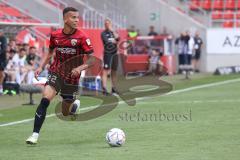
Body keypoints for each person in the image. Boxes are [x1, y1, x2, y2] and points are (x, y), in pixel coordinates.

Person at [26, 7, 95, 145]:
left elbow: (92, 59)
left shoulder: (82, 37)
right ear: (65, 19)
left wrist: (80, 68)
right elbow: (50, 53)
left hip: (72, 78)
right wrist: (41, 66)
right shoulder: (55, 35)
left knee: (65, 113)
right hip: (56, 72)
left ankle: (73, 106)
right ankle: (34, 135)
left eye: (77, 17)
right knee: (45, 99)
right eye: (73, 17)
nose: (76, 20)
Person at [101, 19, 120, 95]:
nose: (107, 25)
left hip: (115, 53)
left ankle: (113, 88)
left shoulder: (113, 32)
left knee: (114, 71)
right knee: (105, 70)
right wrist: (114, 41)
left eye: (108, 24)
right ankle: (104, 89)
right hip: (107, 53)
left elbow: (118, 39)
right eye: (105, 24)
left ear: (111, 24)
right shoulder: (103, 33)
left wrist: (113, 31)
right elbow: (107, 42)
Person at [0, 29, 7, 95]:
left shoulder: (3, 39)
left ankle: (0, 87)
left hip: (1, 59)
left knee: (1, 74)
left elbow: (4, 48)